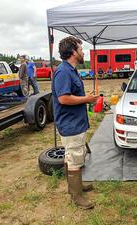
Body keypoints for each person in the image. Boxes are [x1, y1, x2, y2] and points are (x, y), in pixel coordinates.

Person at [52, 36, 99, 209]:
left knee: (73, 156)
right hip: (70, 124)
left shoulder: (70, 70)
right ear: (73, 52)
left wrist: (87, 98)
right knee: (74, 157)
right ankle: (76, 196)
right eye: (80, 49)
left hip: (75, 122)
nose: (83, 52)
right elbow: (63, 98)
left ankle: (76, 188)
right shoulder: (64, 71)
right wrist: (87, 99)